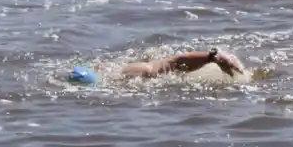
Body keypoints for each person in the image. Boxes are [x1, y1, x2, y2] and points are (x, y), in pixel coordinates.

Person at [68, 48, 246, 85]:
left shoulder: (129, 75)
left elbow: (176, 62)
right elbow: (174, 61)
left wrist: (211, 57)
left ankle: (212, 57)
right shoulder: (116, 73)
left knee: (153, 70)